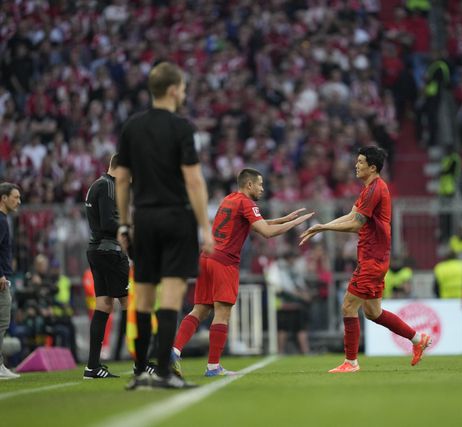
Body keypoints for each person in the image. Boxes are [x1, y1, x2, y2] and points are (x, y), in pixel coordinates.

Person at [115, 62, 214, 390]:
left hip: (143, 219)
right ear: (173, 90)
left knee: (143, 298)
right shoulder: (181, 127)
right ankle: (163, 373)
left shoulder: (131, 127)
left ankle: (140, 373)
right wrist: (205, 227)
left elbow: (122, 180)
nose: (184, 93)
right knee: (170, 297)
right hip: (176, 218)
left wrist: (125, 224)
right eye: (183, 88)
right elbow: (193, 180)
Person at [299, 146, 431, 373]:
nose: (356, 165)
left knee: (348, 305)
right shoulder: (369, 189)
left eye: (360, 162)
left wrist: (324, 228)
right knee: (373, 312)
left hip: (372, 260)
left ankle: (351, 362)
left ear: (373, 167)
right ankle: (418, 339)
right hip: (375, 258)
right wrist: (323, 227)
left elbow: (356, 224)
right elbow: (352, 216)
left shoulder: (376, 189)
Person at [171, 168, 313, 376]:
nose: (262, 188)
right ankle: (213, 367)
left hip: (206, 258)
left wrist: (283, 219)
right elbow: (266, 232)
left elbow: (254, 225)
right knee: (222, 313)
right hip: (224, 261)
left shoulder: (229, 199)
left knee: (199, 310)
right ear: (249, 185)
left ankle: (174, 352)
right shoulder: (247, 203)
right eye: (260, 184)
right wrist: (295, 223)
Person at [83, 154, 129, 379]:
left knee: (103, 305)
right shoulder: (109, 186)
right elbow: (108, 222)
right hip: (110, 251)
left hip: (97, 250)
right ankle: (141, 363)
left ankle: (92, 366)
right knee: (131, 303)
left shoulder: (97, 185)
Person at [0, 183, 21, 379]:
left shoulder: (4, 219)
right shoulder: (1, 220)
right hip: (1, 280)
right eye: (15, 197)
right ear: (4, 198)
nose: (19, 201)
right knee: (2, 322)